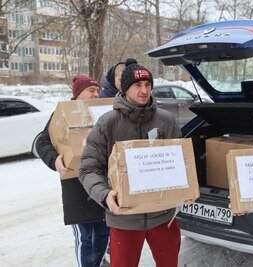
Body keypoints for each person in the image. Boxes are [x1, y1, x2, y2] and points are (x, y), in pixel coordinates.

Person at [79, 60, 182, 267]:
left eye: (148, 85)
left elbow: (181, 162)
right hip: (124, 219)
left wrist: (186, 189)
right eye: (138, 85)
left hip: (163, 217)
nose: (144, 90)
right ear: (125, 88)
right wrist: (105, 194)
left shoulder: (167, 120)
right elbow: (88, 167)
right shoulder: (108, 122)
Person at [36, 75, 109, 267]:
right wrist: (55, 161)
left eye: (98, 90)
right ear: (78, 94)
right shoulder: (63, 114)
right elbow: (41, 141)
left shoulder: (104, 112)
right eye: (91, 90)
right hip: (76, 186)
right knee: (84, 236)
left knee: (103, 233)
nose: (96, 94)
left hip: (103, 182)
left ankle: (98, 263)